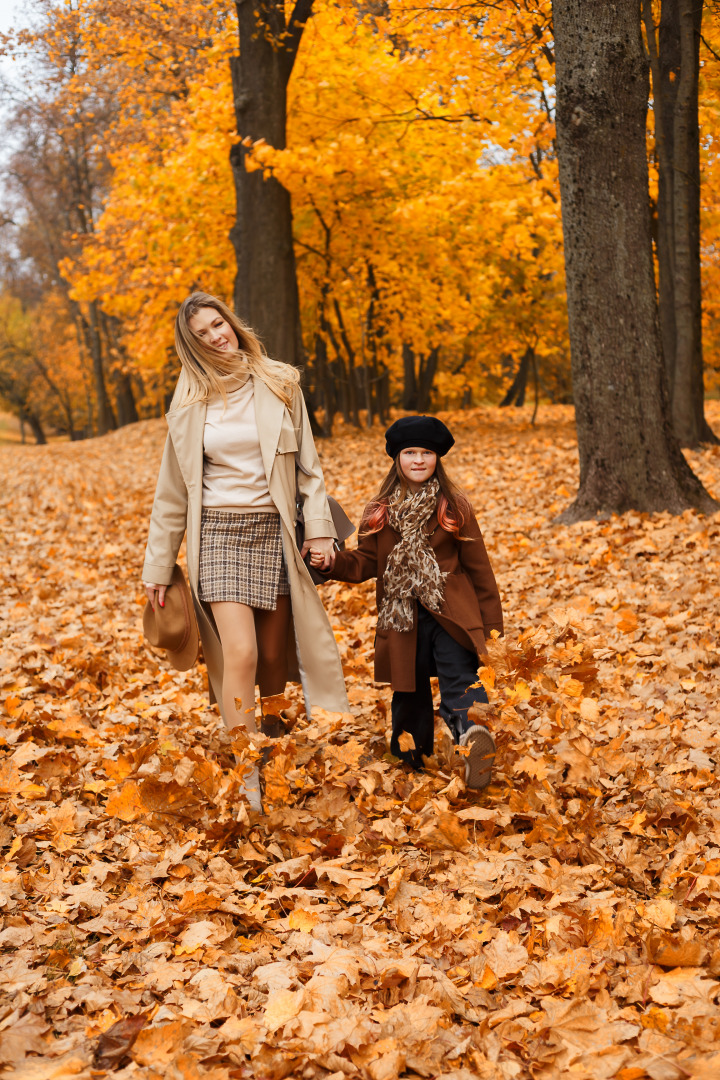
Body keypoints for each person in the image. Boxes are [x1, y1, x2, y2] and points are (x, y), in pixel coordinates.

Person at [142, 291, 349, 811]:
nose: (216, 336)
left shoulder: (280, 384)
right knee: (242, 653)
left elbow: (309, 468)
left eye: (218, 324)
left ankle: (275, 747)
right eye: (202, 333)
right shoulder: (188, 404)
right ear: (191, 346)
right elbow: (172, 491)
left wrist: (320, 530)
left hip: (274, 533)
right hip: (218, 536)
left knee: (275, 660)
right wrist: (160, 565)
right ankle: (246, 771)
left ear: (231, 323)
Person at [313, 415, 503, 788]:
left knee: (461, 682)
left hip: (451, 615)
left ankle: (474, 740)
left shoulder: (454, 507)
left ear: (437, 458)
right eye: (410, 452)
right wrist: (333, 561)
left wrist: (493, 632)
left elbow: (481, 571)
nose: (418, 460)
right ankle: (409, 761)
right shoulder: (380, 510)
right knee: (409, 690)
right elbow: (366, 562)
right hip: (402, 617)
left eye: (427, 453)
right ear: (397, 458)